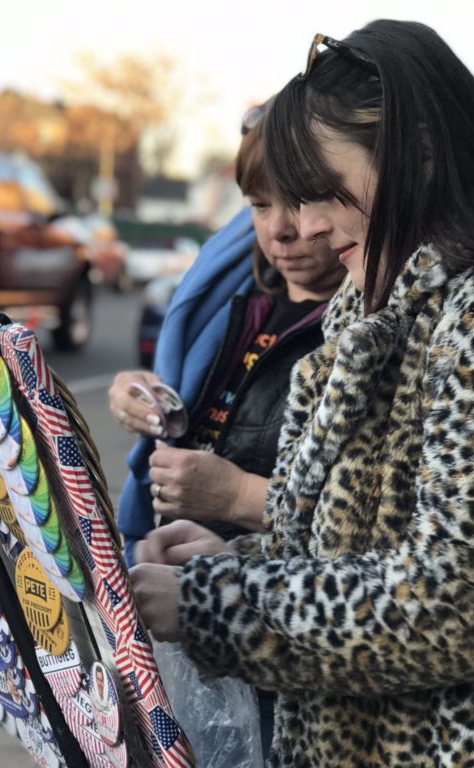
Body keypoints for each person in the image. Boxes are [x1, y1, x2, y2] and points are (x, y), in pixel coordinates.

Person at [130, 20, 474, 767]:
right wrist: (225, 564)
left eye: (319, 189)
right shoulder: (379, 310)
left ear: (418, 156)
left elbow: (458, 604)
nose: (305, 224)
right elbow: (357, 544)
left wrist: (215, 608)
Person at [110, 107, 345, 562]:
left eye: (300, 201)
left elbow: (377, 525)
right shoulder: (224, 305)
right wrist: (141, 395)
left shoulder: (371, 334)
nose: (279, 230)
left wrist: (236, 497)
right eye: (259, 204)